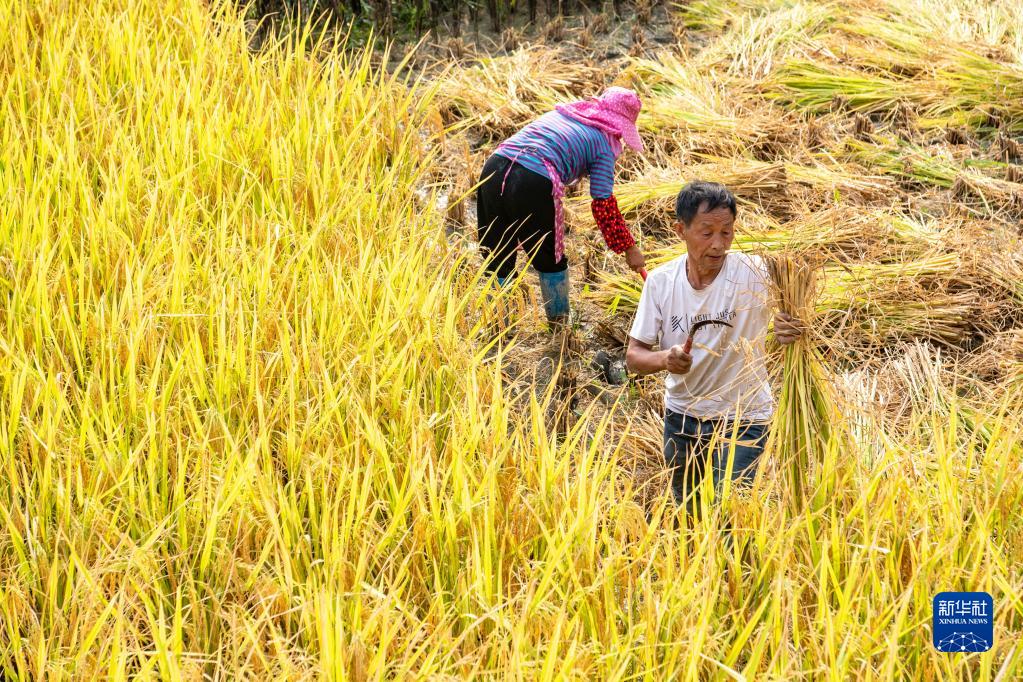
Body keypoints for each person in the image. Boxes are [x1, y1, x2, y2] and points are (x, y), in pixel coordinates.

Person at [624, 181, 804, 513]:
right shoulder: (661, 283)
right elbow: (634, 357)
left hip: (746, 417)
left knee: (731, 514)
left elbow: (800, 288)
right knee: (688, 512)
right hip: (683, 418)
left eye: (727, 232)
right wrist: (665, 359)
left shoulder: (754, 272)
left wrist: (789, 324)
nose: (719, 245)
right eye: (707, 233)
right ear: (681, 229)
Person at [475, 86, 647, 333]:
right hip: (533, 180)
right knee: (549, 258)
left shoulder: (567, 115)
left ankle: (499, 328)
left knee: (497, 252)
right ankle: (559, 329)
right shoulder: (603, 144)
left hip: (494, 167)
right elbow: (603, 203)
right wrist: (630, 248)